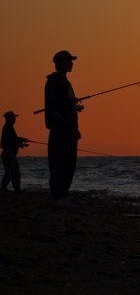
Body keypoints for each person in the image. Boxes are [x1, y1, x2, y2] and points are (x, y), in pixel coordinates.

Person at [45, 50, 83, 205]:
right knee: (59, 162)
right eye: (69, 61)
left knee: (69, 163)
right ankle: (59, 196)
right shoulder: (54, 81)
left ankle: (63, 194)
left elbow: (64, 105)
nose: (72, 63)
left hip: (69, 130)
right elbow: (53, 107)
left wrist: (73, 106)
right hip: (61, 130)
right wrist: (66, 123)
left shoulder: (65, 81)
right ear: (61, 63)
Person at [1, 110, 29, 192]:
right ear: (9, 118)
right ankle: (3, 188)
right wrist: (21, 142)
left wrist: (21, 142)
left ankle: (16, 188)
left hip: (9, 153)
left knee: (15, 172)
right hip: (8, 154)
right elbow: (10, 142)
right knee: (10, 172)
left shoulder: (9, 127)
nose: (14, 119)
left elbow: (13, 140)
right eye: (13, 118)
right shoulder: (8, 127)